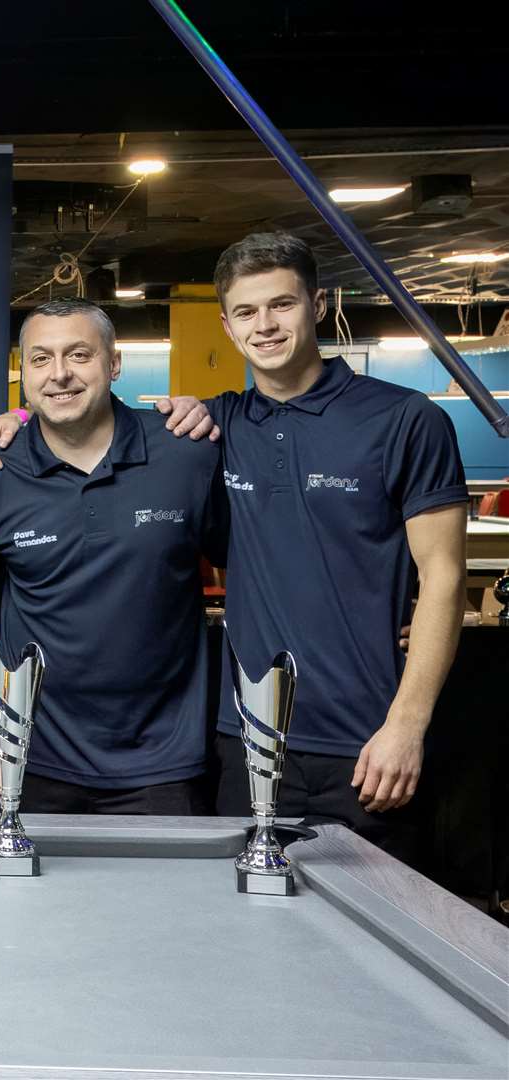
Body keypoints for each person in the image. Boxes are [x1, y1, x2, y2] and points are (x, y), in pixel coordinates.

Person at [156, 233, 465, 856]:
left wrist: (406, 725)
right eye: (246, 312)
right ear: (225, 324)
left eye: (282, 305)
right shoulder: (216, 425)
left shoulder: (405, 420)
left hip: (367, 744)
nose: (264, 326)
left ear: (318, 305)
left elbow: (445, 579)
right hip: (247, 742)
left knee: (374, 940)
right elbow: (82, 424)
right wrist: (13, 421)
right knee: (247, 932)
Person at [0, 297, 227, 814]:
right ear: (23, 371)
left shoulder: (186, 452)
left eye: (78, 355)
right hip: (29, 762)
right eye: (40, 359)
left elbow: (252, 565)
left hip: (164, 767)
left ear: (114, 363)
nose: (59, 374)